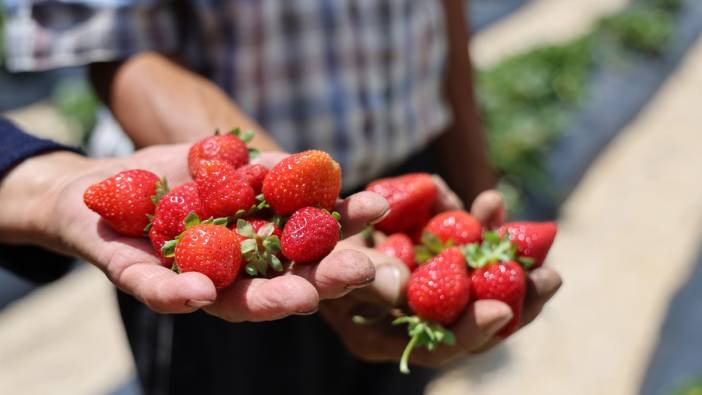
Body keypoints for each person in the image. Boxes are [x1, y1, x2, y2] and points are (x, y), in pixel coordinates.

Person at [2, 1, 562, 394]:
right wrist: (279, 210)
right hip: (242, 232)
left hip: (407, 192)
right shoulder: (221, 216)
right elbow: (119, 47)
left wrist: (475, 189)